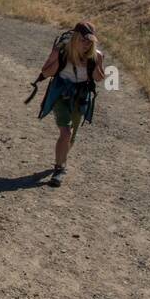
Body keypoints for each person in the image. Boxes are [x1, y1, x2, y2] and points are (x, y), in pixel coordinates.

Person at [31, 21, 105, 187]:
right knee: (65, 131)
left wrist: (94, 65)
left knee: (71, 136)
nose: (87, 44)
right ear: (75, 38)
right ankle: (59, 169)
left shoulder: (96, 56)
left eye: (90, 42)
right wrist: (59, 59)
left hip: (81, 96)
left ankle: (60, 159)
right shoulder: (61, 51)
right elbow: (45, 72)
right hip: (61, 93)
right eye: (84, 40)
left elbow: (99, 79)